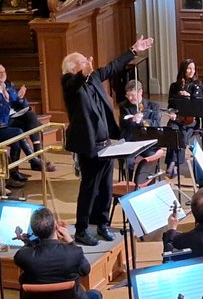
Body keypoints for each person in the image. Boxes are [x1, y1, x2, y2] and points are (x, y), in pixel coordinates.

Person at [62, 36, 153, 246]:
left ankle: (102, 224)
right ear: (73, 67)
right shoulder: (69, 83)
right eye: (83, 61)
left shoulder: (93, 78)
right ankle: (82, 229)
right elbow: (75, 83)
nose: (87, 63)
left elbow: (113, 67)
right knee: (89, 188)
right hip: (89, 146)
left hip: (106, 143)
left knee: (105, 187)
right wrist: (81, 75)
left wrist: (133, 49)